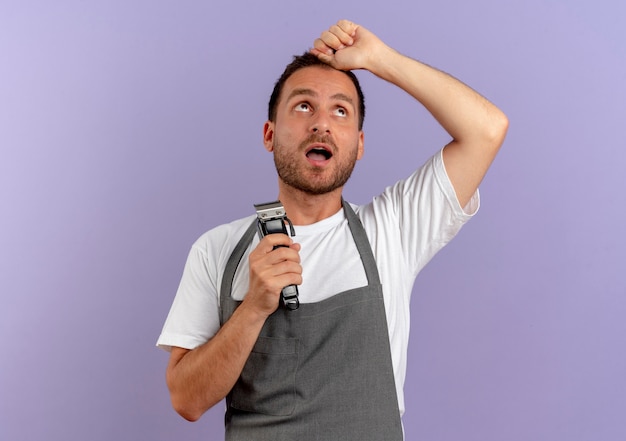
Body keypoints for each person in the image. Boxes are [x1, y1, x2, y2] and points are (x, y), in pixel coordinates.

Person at [157, 19, 508, 440]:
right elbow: (186, 400)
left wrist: (381, 60)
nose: (321, 123)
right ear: (270, 134)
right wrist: (252, 307)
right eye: (303, 106)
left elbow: (486, 129)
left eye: (340, 110)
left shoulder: (392, 229)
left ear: (358, 145)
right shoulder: (217, 249)